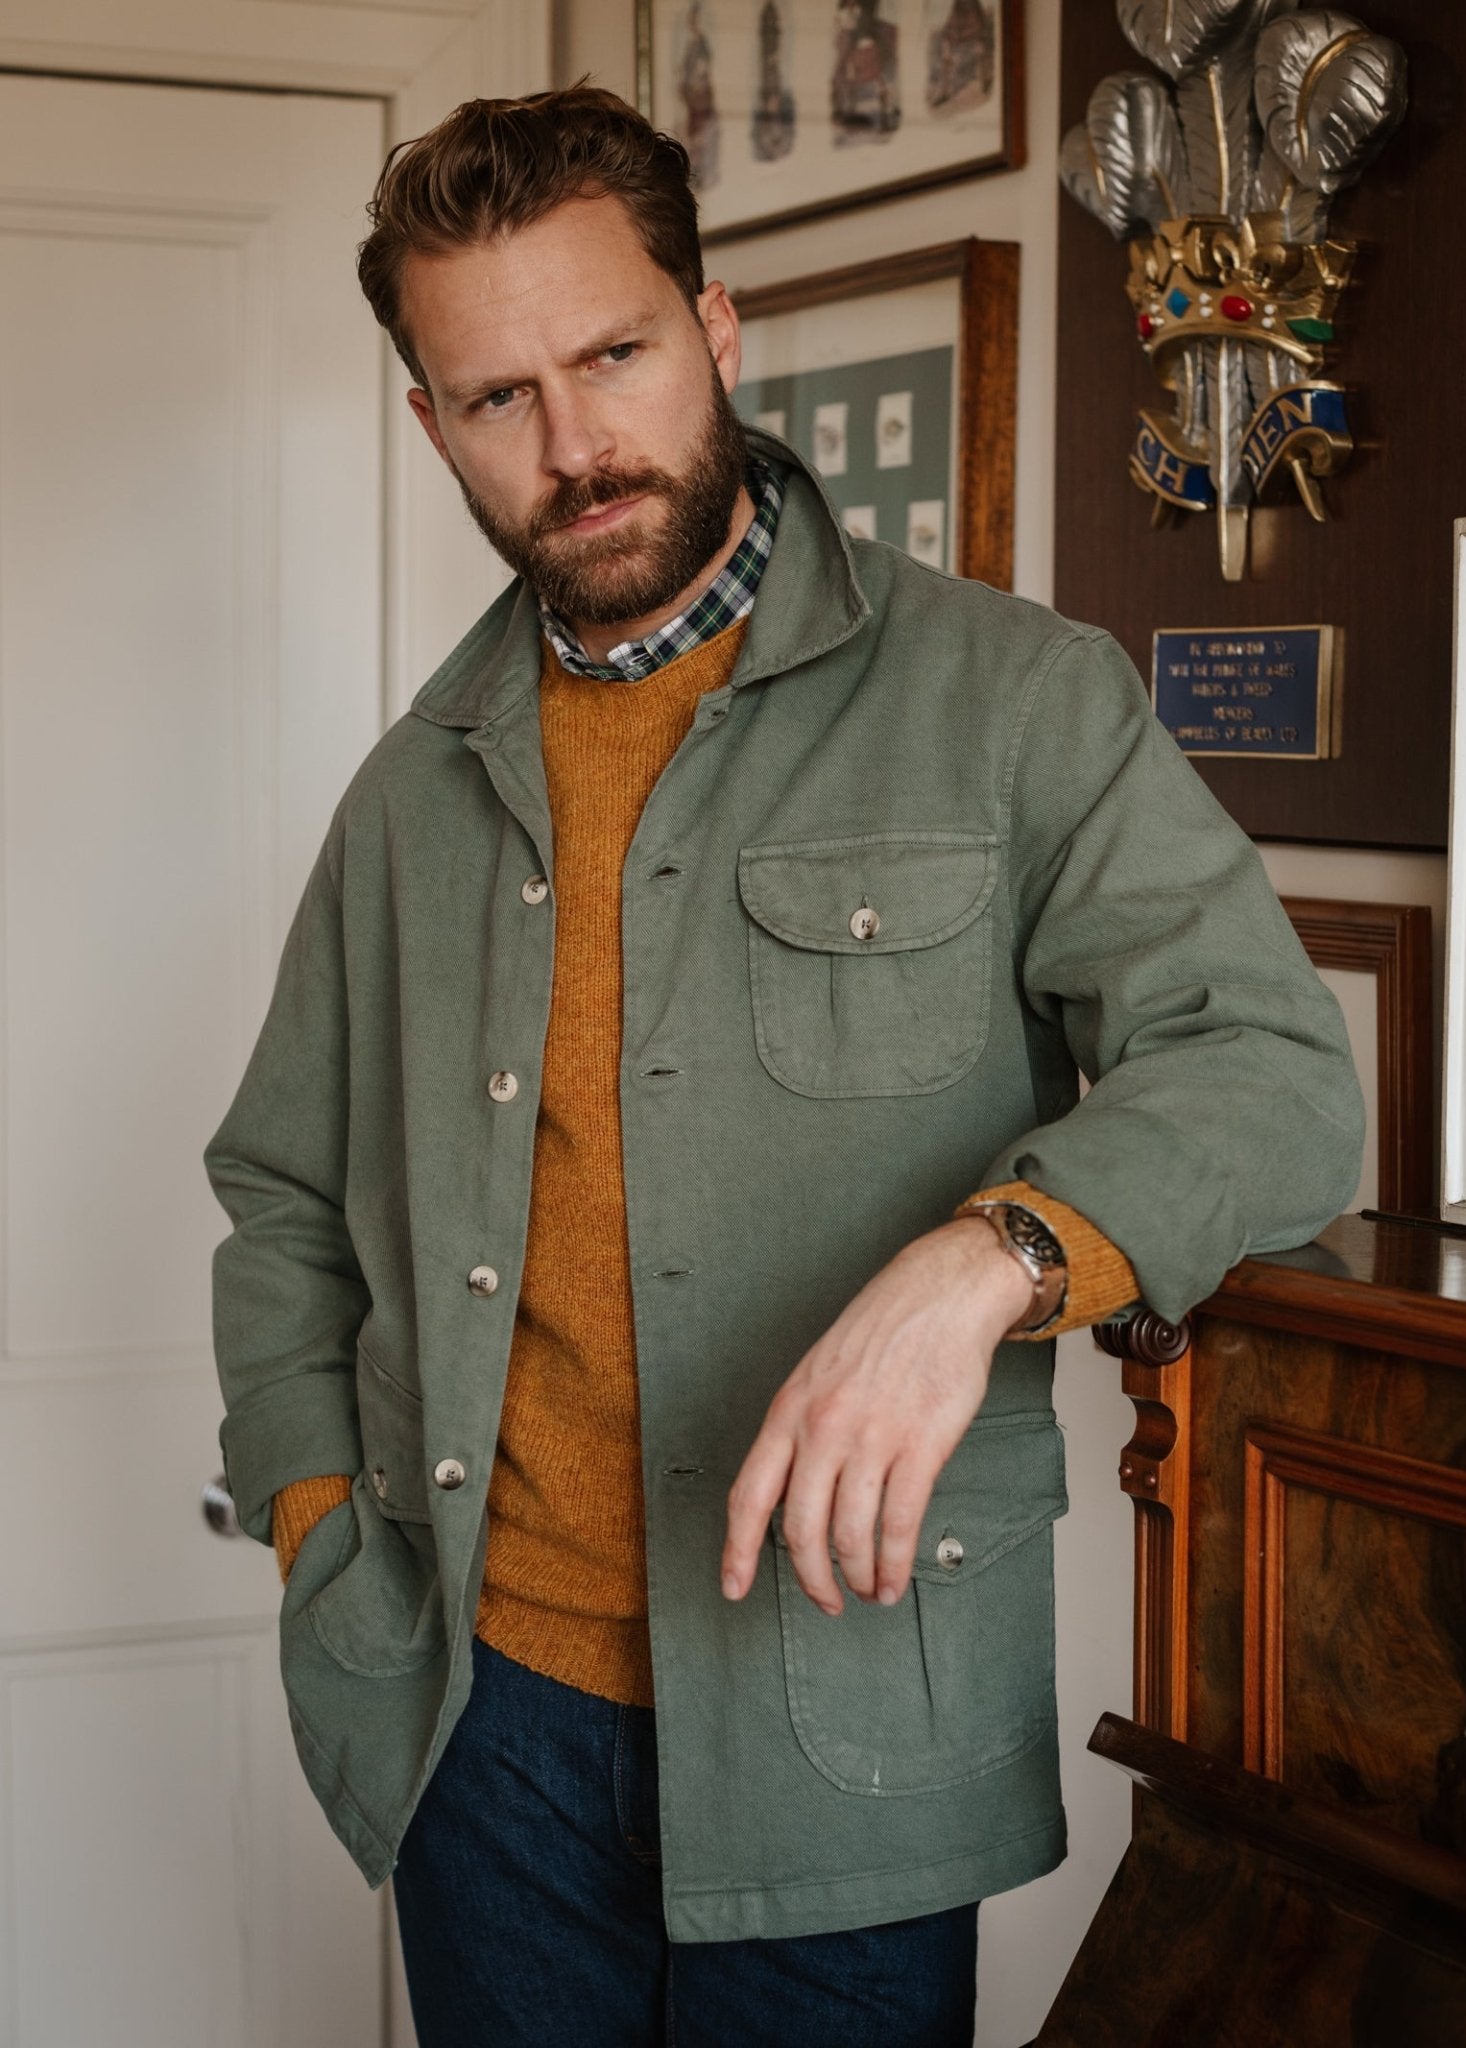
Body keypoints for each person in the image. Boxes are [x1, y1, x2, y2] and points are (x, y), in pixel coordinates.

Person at [204, 86, 1364, 2048]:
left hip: (845, 1722)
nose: (574, 448)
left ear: (715, 330)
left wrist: (988, 1254)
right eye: (497, 399)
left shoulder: (1015, 699)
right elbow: (285, 1199)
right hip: (478, 1731)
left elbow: (1272, 1075)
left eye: (616, 356)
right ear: (429, 425)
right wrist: (319, 1522)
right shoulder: (415, 790)